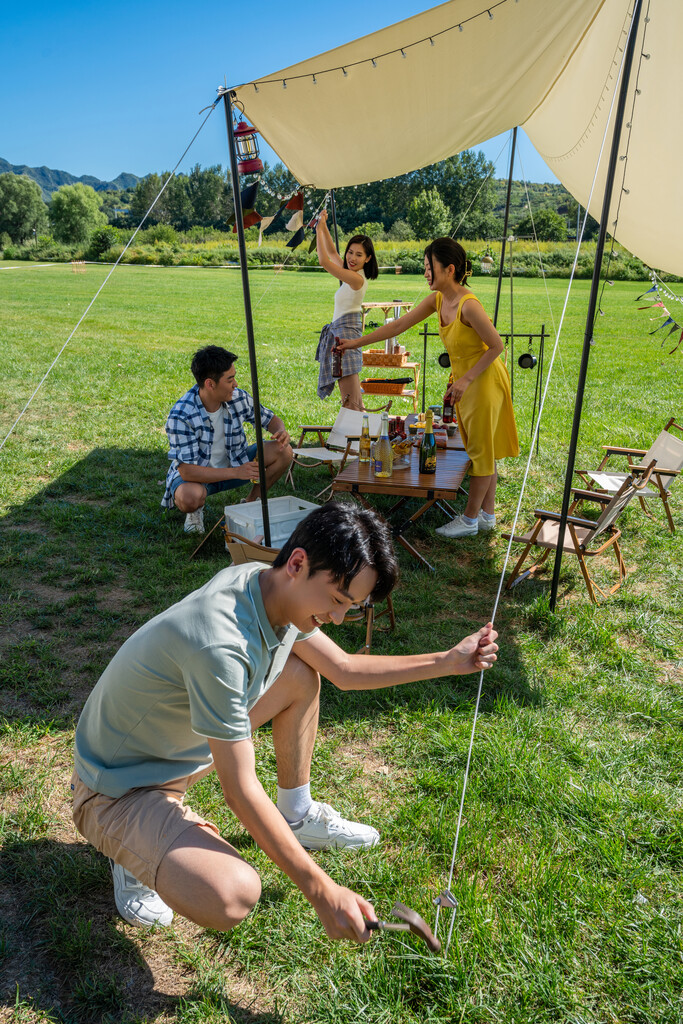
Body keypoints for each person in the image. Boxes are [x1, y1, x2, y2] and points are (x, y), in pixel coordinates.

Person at [71, 502, 498, 941]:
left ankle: (296, 813)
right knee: (233, 893)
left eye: (350, 606)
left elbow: (345, 670)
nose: (337, 618)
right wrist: (323, 892)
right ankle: (132, 856)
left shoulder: (271, 586)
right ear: (298, 563)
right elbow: (239, 790)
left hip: (173, 750)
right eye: (336, 600)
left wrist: (447, 661)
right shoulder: (220, 644)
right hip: (116, 788)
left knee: (299, 675)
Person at [338, 238, 519, 538]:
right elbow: (398, 326)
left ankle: (470, 520)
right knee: (481, 448)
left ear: (449, 269)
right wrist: (355, 343)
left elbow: (497, 346)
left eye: (428, 267)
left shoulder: (468, 305)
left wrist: (466, 379)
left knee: (481, 452)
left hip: (484, 380)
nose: (425, 273)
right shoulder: (438, 300)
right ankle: (487, 515)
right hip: (467, 381)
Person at [162, 345, 293, 534]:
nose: (236, 384)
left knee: (284, 451)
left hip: (236, 463)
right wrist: (236, 472)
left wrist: (280, 430)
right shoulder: (181, 415)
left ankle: (248, 505)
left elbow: (270, 419)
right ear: (210, 384)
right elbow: (188, 472)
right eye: (230, 379)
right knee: (189, 497)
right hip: (198, 476)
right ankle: (195, 512)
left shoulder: (238, 397)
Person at [314, 211, 379, 411]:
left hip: (346, 338)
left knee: (350, 402)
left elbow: (324, 261)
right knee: (354, 402)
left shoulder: (357, 279)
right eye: (350, 252)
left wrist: (317, 230)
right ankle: (360, 438)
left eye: (359, 255)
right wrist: (323, 224)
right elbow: (333, 254)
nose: (352, 258)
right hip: (342, 335)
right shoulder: (352, 274)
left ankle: (355, 439)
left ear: (368, 259)